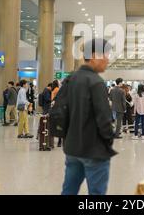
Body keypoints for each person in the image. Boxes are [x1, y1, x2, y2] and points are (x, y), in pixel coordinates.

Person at [62, 39, 116, 195]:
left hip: (72, 147)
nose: (107, 59)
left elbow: (62, 111)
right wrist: (108, 141)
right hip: (94, 150)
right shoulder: (96, 82)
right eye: (106, 55)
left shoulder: (71, 79)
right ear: (94, 56)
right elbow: (104, 119)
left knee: (68, 190)